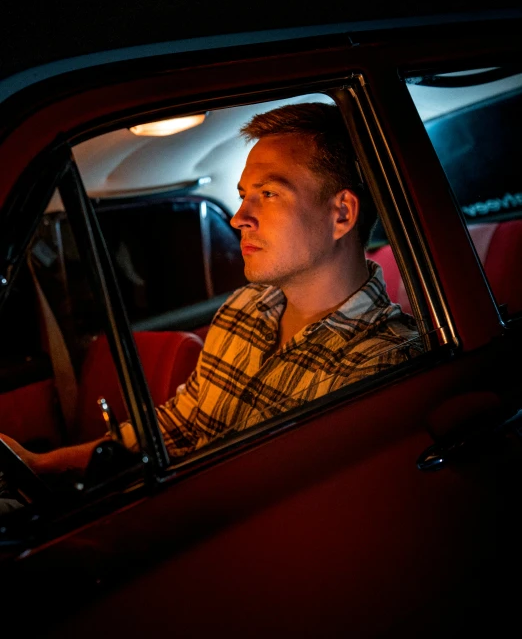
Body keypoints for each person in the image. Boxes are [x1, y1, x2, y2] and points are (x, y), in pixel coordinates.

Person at [0, 101, 421, 480]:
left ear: (342, 213)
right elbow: (181, 427)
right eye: (242, 196)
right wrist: (45, 465)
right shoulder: (243, 308)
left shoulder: (382, 361)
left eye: (269, 194)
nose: (239, 218)